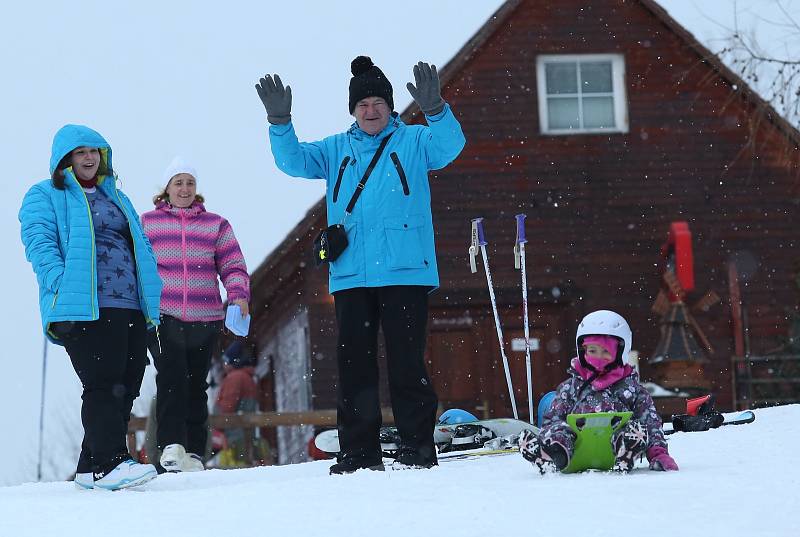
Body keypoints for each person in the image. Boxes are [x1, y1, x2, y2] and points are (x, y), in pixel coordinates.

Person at [256, 56, 466, 474]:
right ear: (353, 109)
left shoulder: (416, 141)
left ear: (391, 107)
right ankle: (357, 453)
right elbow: (293, 161)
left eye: (378, 103)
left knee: (407, 364)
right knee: (354, 367)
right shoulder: (336, 149)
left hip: (405, 271)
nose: (371, 111)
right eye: (363, 104)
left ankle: (417, 448)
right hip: (352, 275)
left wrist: (438, 110)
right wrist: (280, 123)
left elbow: (450, 147)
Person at [19, 124, 161, 490]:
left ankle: (89, 464)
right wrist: (59, 280)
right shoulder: (46, 194)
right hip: (85, 305)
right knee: (103, 381)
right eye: (81, 151)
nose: (89, 157)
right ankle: (111, 463)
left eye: (94, 151)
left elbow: (139, 242)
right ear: (65, 157)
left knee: (128, 383)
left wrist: (154, 288)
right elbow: (38, 239)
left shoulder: (116, 196)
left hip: (129, 302)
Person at [141, 157, 250, 472]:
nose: (184, 188)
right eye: (178, 182)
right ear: (167, 188)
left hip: (205, 316)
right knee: (171, 379)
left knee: (196, 384)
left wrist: (239, 296)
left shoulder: (216, 225)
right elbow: (137, 266)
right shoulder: (148, 223)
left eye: (189, 182)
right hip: (163, 315)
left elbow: (233, 265)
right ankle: (170, 447)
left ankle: (193, 452)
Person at [519, 310, 679, 473]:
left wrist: (659, 454)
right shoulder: (572, 387)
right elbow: (553, 419)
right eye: (593, 351)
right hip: (576, 452)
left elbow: (650, 423)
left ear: (620, 353)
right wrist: (551, 434)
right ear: (583, 352)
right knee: (558, 427)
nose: (598, 358)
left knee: (636, 428)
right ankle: (551, 455)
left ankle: (626, 451)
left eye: (606, 352)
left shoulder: (633, 390)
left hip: (614, 452)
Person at [214, 341, 261, 467]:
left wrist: (217, 426)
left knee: (235, 468)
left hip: (234, 435)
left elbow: (227, 405)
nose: (224, 365)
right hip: (243, 433)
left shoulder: (235, 377)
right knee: (244, 464)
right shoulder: (246, 376)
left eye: (225, 361)